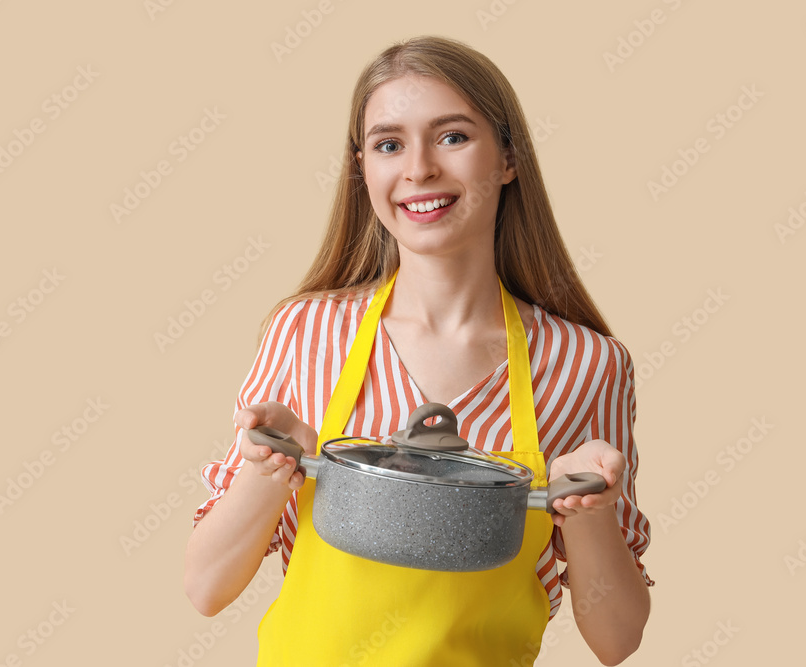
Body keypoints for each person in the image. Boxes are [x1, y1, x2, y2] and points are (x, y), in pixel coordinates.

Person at [184, 35, 653, 666]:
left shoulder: (586, 365)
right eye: (389, 144)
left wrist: (588, 511)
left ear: (508, 157)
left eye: (453, 137)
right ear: (364, 169)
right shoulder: (305, 332)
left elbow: (617, 640)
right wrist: (271, 469)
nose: (419, 169)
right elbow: (206, 587)